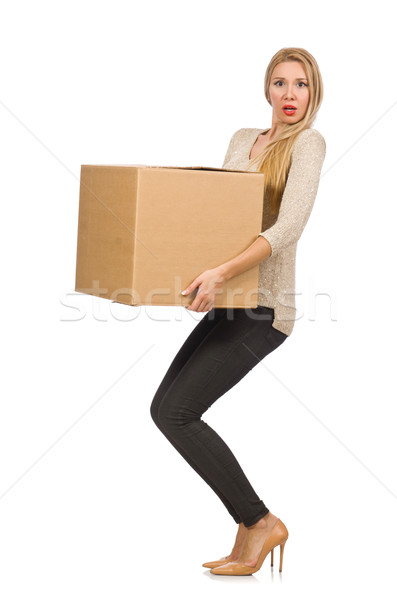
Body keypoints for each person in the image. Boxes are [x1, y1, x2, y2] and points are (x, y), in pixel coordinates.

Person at [150, 47, 326, 576]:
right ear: (266, 90)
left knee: (179, 413)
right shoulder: (241, 140)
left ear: (313, 93)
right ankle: (251, 526)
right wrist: (198, 274)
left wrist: (223, 272)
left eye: (300, 84)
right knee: (166, 411)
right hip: (229, 301)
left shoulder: (309, 145)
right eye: (280, 83)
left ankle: (260, 522)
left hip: (265, 308)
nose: (290, 94)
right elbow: (218, 214)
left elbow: (287, 228)